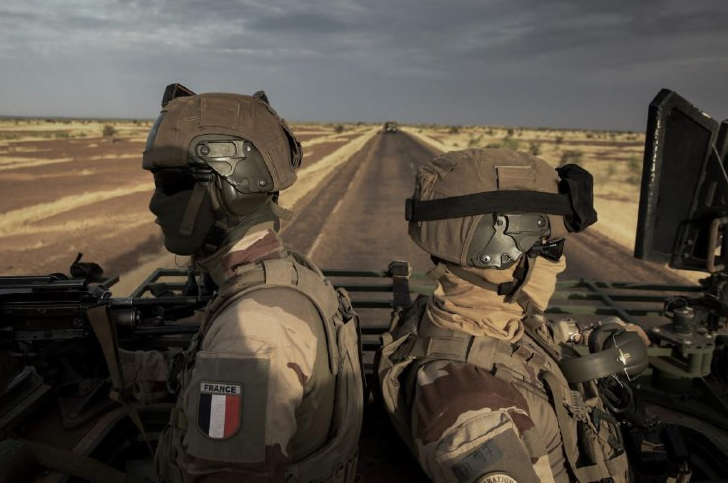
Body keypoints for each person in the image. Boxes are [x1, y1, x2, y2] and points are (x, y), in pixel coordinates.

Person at [134, 85, 363, 482]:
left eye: (171, 183)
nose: (155, 204)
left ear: (232, 187)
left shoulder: (254, 329)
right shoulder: (282, 272)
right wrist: (128, 367)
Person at [377, 148, 632, 483]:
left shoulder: (478, 317)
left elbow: (528, 339)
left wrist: (591, 334)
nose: (560, 264)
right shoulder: (474, 412)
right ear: (496, 253)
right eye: (552, 249)